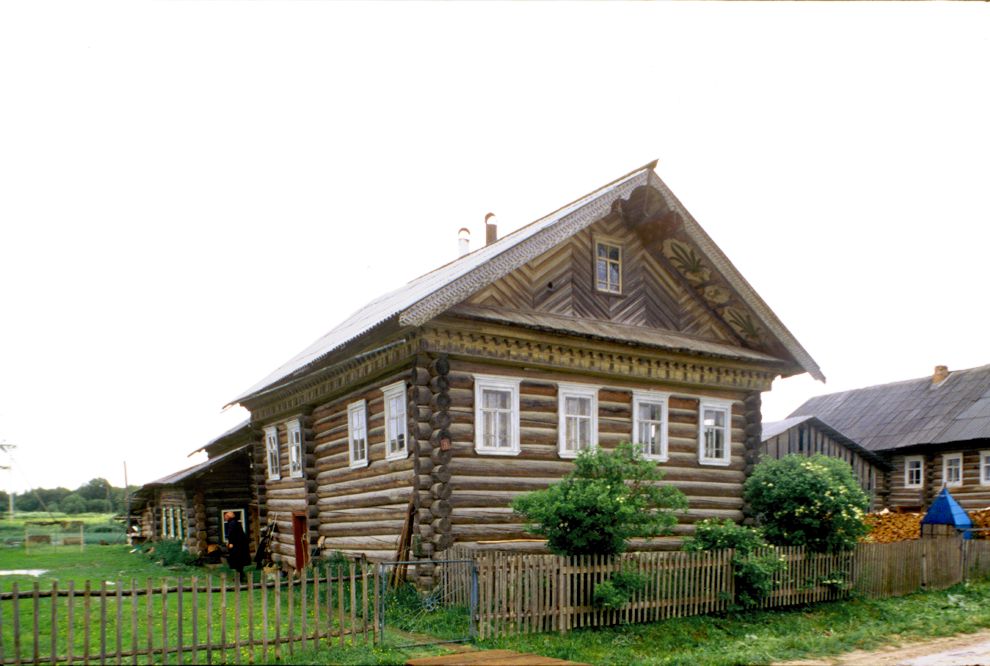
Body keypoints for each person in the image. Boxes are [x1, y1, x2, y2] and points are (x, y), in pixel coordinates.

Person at [224, 511, 250, 583]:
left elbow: (232, 534)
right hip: (240, 545)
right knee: (238, 562)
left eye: (225, 516)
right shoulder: (234, 522)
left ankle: (240, 577)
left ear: (228, 517)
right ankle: (241, 576)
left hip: (238, 546)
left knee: (237, 561)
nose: (225, 518)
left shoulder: (233, 523)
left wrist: (231, 543)